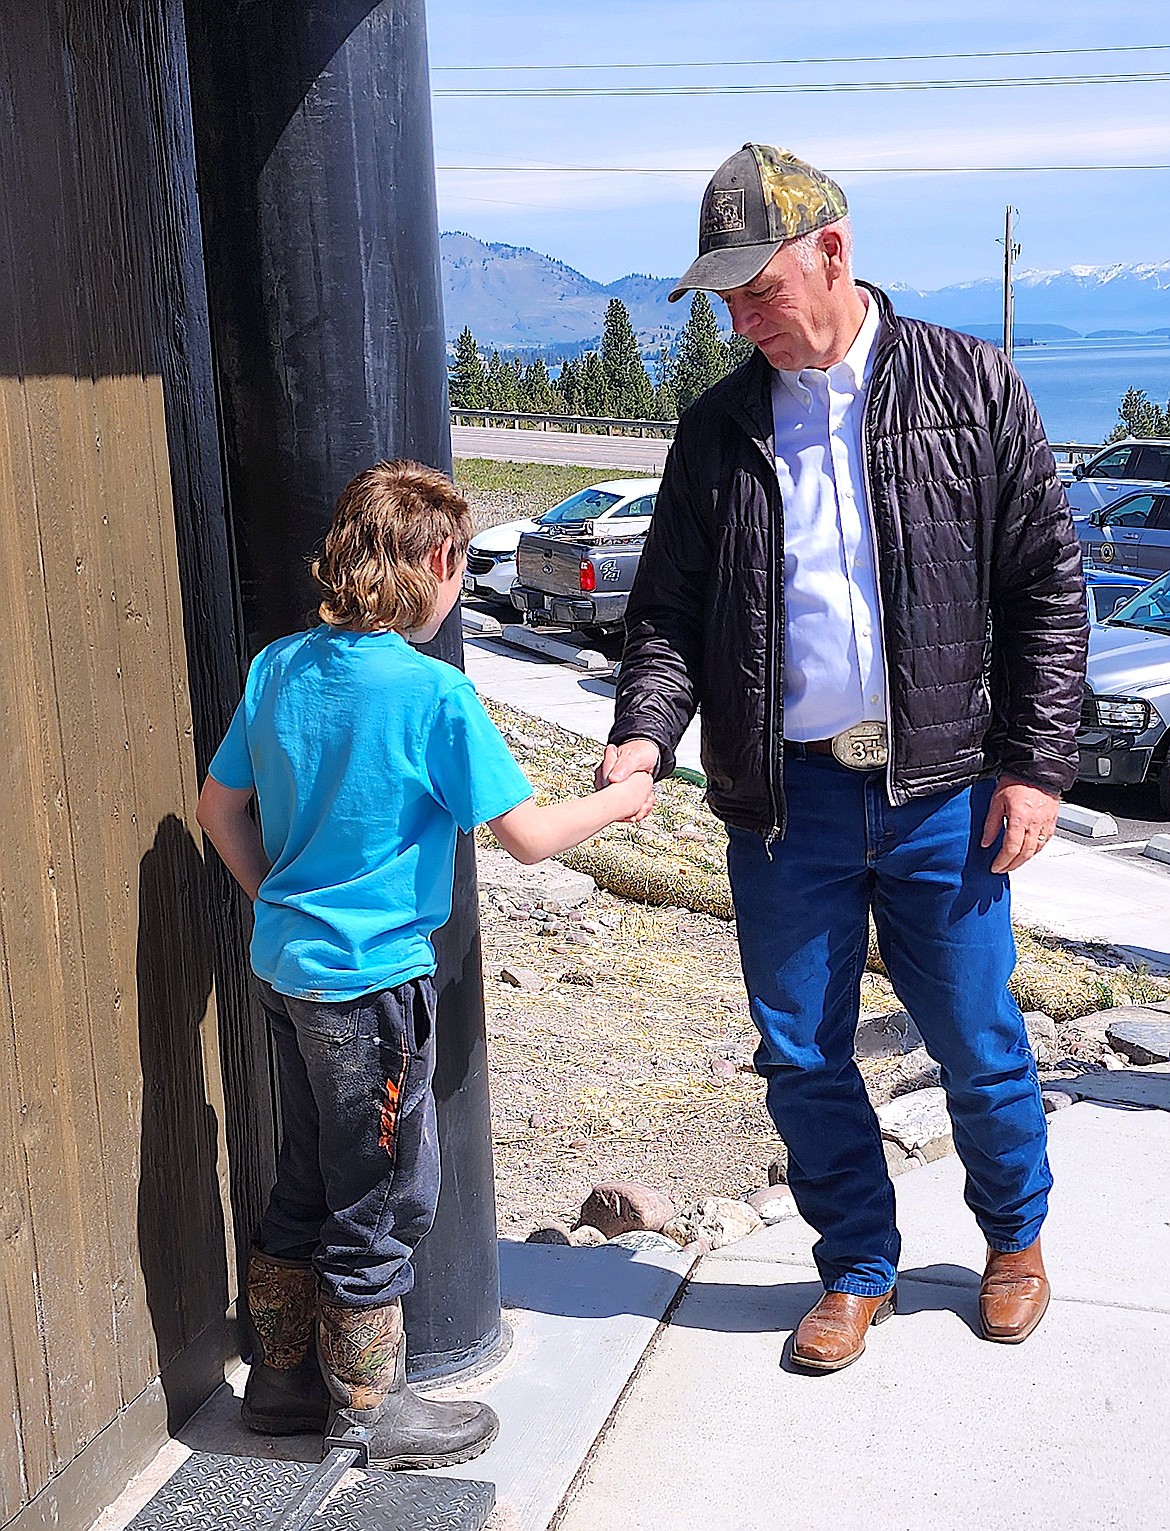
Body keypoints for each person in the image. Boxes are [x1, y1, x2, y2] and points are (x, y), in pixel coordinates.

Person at [599, 144, 1087, 1372]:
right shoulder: (717, 432)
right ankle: (858, 1264)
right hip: (786, 805)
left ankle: (1014, 1241)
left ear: (834, 250)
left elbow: (1047, 591)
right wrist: (643, 736)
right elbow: (665, 611)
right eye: (724, 299)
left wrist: (1034, 764)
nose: (743, 317)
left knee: (977, 1035)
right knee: (803, 1051)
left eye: (757, 287)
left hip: (944, 792)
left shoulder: (973, 388)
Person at [197, 460, 654, 1464]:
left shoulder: (278, 667)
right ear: (442, 563)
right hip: (372, 991)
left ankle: (277, 1386)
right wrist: (622, 800)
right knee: (384, 1192)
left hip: (286, 967)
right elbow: (528, 836)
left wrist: (277, 897)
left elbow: (217, 807)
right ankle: (369, 1411)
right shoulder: (435, 695)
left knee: (307, 1172)